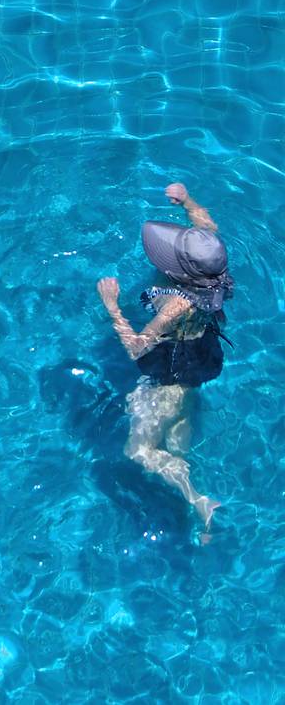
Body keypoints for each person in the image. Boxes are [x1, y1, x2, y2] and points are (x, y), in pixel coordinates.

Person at [96, 182, 234, 539]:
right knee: (176, 438)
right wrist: (187, 200)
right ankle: (194, 506)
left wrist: (112, 308)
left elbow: (137, 348)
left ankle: (198, 498)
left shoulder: (175, 305)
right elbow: (208, 228)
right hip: (198, 358)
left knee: (138, 450)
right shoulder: (214, 272)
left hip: (168, 373)